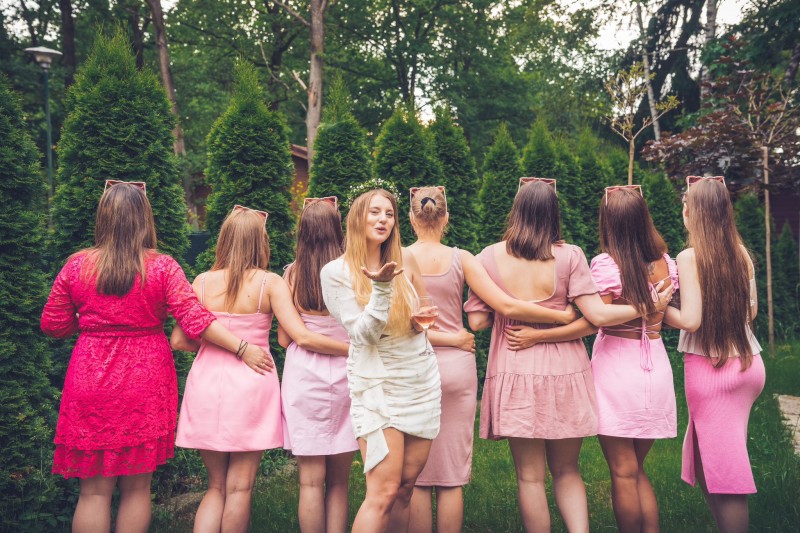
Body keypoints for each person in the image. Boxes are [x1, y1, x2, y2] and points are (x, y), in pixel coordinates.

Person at [41, 182, 272, 533]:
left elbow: (52, 324)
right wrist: (242, 347)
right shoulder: (162, 267)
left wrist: (94, 323)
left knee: (93, 493)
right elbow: (195, 319)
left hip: (90, 375)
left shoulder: (77, 267)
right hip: (145, 377)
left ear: (102, 218)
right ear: (145, 219)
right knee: (137, 489)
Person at [465, 180, 673, 532]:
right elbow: (594, 317)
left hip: (516, 365)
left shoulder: (487, 256)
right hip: (566, 370)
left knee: (530, 477)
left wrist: (510, 310)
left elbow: (478, 322)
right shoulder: (571, 255)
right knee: (567, 470)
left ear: (515, 211)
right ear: (554, 213)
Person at [403, 186, 578, 533]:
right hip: (457, 365)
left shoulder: (398, 258)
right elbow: (505, 306)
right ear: (446, 218)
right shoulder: (463, 258)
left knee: (417, 476)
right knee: (451, 474)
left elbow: (395, 323)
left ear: (411, 219)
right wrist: (560, 316)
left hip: (412, 364)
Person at [171, 205, 349, 533]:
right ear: (259, 242)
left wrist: (216, 346)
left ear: (224, 240)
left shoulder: (202, 282)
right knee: (240, 488)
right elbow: (295, 335)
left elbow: (180, 340)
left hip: (207, 383)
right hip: (252, 384)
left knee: (215, 487)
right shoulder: (270, 283)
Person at [320, 189, 441, 532]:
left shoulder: (406, 259)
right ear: (357, 218)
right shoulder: (335, 272)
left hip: (419, 382)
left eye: (389, 214)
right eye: (374, 212)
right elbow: (363, 335)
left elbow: (422, 309)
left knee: (405, 489)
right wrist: (383, 289)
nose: (383, 219)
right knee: (383, 492)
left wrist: (419, 322)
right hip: (377, 386)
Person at [664, 176, 765, 533]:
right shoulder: (741, 253)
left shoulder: (689, 257)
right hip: (748, 365)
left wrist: (657, 308)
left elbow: (690, 321)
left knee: (727, 472)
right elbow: (751, 313)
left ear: (692, 212)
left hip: (713, 372)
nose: (682, 211)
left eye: (684, 205)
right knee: (709, 460)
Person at [277, 196, 357, 533]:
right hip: (348, 375)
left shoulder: (291, 275)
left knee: (309, 481)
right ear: (338, 230)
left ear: (303, 232)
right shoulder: (353, 271)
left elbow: (285, 339)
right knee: (339, 482)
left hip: (304, 378)